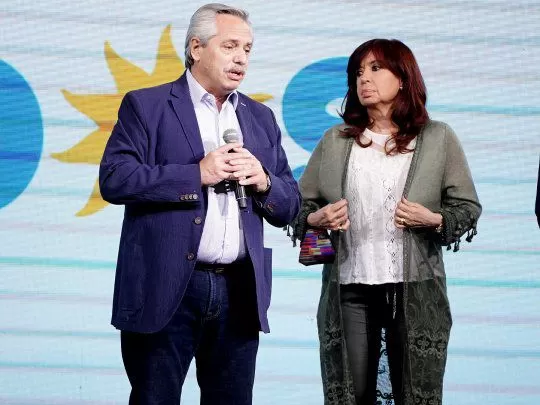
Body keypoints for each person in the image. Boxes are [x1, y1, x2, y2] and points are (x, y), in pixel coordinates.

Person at [99, 4, 300, 404]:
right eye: (230, 46)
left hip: (239, 291)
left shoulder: (260, 118)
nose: (241, 57)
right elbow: (115, 179)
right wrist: (197, 175)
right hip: (166, 287)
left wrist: (262, 181)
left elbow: (291, 204)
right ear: (196, 47)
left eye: (247, 48)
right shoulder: (147, 105)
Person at [290, 39, 481, 405]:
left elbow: (467, 207)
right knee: (351, 395)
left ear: (404, 78)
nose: (365, 78)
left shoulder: (438, 137)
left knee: (414, 395)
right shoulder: (335, 141)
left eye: (376, 68)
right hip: (349, 289)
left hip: (416, 289)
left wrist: (434, 219)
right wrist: (316, 218)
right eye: (359, 72)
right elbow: (299, 207)